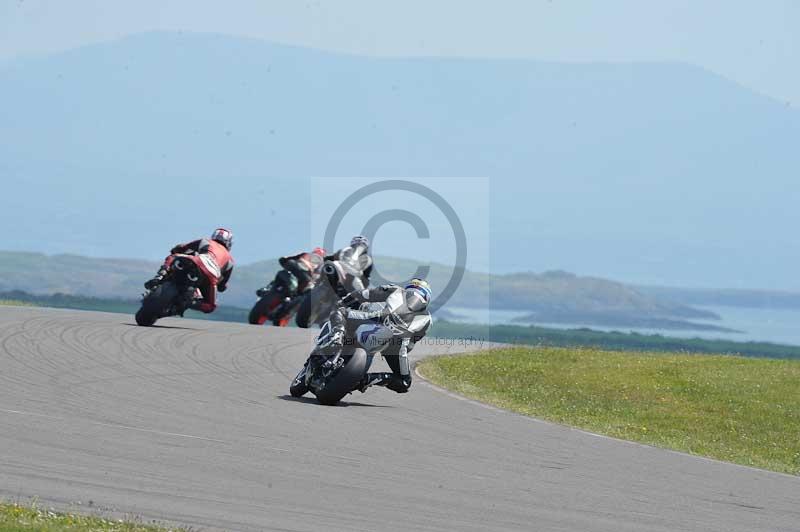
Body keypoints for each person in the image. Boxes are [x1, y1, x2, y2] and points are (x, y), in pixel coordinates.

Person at [329, 278, 433, 394]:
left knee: (340, 312)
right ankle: (368, 379)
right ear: (427, 299)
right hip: (397, 344)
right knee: (404, 382)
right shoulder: (427, 320)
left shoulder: (396, 290)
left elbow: (365, 294)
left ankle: (337, 335)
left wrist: (343, 301)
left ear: (409, 288)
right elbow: (411, 344)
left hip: (376, 320)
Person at [144, 228, 234, 313]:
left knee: (173, 257)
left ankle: (160, 276)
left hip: (197, 261)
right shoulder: (230, 261)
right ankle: (188, 302)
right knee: (210, 306)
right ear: (229, 242)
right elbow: (222, 286)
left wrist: (175, 250)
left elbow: (182, 247)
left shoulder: (206, 241)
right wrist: (220, 285)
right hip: (211, 276)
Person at [257, 247, 326, 298]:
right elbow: (286, 258)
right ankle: (269, 288)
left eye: (319, 254)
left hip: (301, 277)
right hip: (295, 272)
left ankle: (295, 300)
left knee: (305, 289)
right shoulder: (305, 255)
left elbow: (317, 276)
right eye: (317, 253)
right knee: (282, 274)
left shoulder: (319, 264)